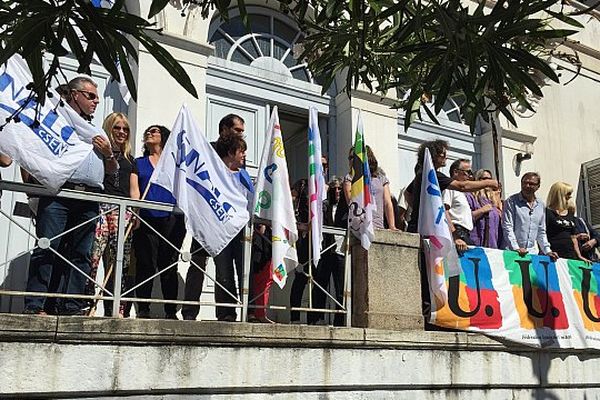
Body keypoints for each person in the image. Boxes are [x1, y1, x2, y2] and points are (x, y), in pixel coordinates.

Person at [23, 76, 118, 316]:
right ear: (75, 95)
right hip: (60, 193)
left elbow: (113, 169)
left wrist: (108, 153)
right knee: (48, 247)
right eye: (91, 96)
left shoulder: (96, 130)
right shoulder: (56, 120)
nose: (97, 101)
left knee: (81, 254)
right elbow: (32, 148)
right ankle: (35, 305)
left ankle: (71, 305)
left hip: (90, 197)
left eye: (97, 96)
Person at [181, 113, 246, 321]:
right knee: (197, 264)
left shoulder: (239, 159)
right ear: (224, 129)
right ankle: (189, 312)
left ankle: (226, 312)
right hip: (204, 219)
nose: (241, 134)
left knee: (224, 267)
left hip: (225, 221)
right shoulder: (206, 150)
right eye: (237, 130)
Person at [130, 125, 185, 319]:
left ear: (164, 137)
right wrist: (135, 212)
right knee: (146, 264)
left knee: (169, 265)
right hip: (146, 218)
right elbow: (135, 191)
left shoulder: (175, 164)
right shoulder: (139, 162)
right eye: (147, 131)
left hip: (172, 220)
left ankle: (170, 310)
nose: (149, 133)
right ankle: (143, 308)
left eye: (155, 131)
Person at [87, 112, 134, 317]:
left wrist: (135, 212)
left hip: (122, 211)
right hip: (99, 206)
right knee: (93, 258)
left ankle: (115, 308)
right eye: (117, 127)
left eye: (125, 129)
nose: (121, 132)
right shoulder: (96, 152)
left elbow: (134, 189)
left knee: (119, 262)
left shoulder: (130, 160)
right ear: (108, 128)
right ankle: (86, 303)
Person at [405, 140, 499, 234]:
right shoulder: (433, 175)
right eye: (443, 154)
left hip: (421, 225)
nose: (446, 157)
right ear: (434, 155)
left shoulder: (422, 174)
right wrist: (488, 182)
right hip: (424, 228)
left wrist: (420, 208)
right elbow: (461, 186)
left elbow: (408, 193)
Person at [212, 133, 249, 322]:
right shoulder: (215, 173)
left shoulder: (243, 175)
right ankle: (226, 312)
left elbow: (251, 200)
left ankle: (248, 311)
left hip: (242, 231)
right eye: (241, 151)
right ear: (230, 152)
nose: (244, 155)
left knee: (244, 271)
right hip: (221, 230)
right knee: (224, 272)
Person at [311, 177, 346, 326]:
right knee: (320, 284)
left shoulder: (346, 207)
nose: (337, 191)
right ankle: (316, 317)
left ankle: (340, 320)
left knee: (340, 288)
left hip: (341, 251)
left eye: (339, 188)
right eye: (334, 189)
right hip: (326, 249)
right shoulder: (324, 206)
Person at [501, 172, 558, 260]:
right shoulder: (511, 201)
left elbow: (541, 231)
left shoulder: (540, 205)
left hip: (532, 254)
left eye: (531, 184)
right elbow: (507, 227)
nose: (527, 186)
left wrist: (547, 251)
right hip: (512, 253)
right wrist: (515, 248)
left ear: (538, 186)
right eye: (524, 183)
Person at [343, 146, 397, 230]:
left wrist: (392, 226)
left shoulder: (381, 178)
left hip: (378, 226)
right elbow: (351, 200)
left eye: (353, 157)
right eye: (350, 158)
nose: (351, 161)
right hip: (359, 227)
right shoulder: (349, 178)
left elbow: (387, 203)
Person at [545, 182, 588, 261]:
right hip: (554, 254)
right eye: (568, 194)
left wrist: (579, 255)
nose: (570, 196)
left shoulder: (569, 213)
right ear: (559, 194)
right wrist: (546, 252)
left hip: (570, 254)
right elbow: (542, 234)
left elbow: (573, 237)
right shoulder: (547, 212)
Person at [443, 159, 475, 251]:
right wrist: (455, 236)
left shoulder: (462, 193)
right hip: (458, 232)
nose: (470, 175)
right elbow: (444, 211)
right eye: (467, 172)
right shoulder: (449, 189)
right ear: (456, 172)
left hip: (466, 233)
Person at [465, 169, 503, 249]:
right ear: (477, 180)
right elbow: (465, 218)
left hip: (494, 246)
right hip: (477, 244)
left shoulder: (493, 199)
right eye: (484, 179)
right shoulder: (470, 196)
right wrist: (482, 210)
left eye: (489, 179)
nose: (487, 182)